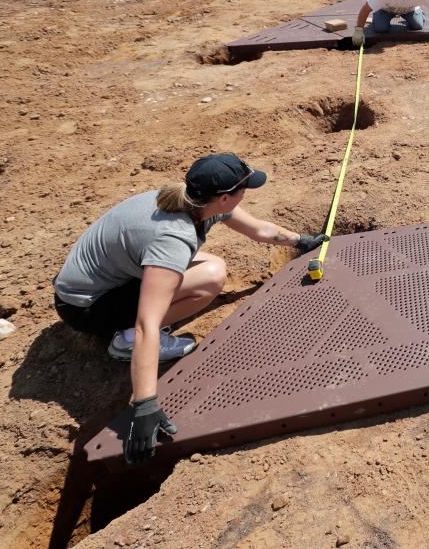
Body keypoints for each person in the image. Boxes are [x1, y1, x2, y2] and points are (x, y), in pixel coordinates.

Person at [52, 153, 327, 463]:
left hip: (103, 281)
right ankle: (122, 341)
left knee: (209, 264)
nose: (245, 194)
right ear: (225, 198)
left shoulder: (193, 201)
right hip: (88, 307)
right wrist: (144, 404)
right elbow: (147, 325)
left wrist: (300, 240)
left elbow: (259, 230)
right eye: (244, 189)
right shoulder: (173, 237)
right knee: (210, 276)